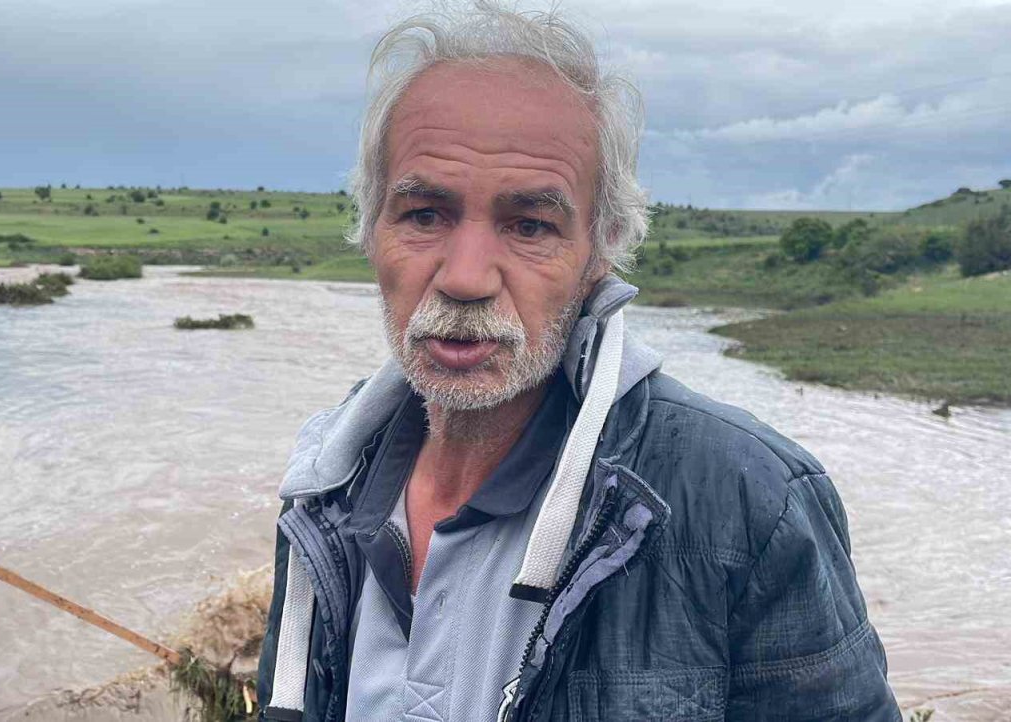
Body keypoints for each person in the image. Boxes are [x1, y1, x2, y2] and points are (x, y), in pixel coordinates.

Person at [255, 3, 899, 720]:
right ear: (371, 230)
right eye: (424, 214)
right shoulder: (325, 483)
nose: (465, 276)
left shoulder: (751, 502)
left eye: (530, 224)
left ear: (601, 251)